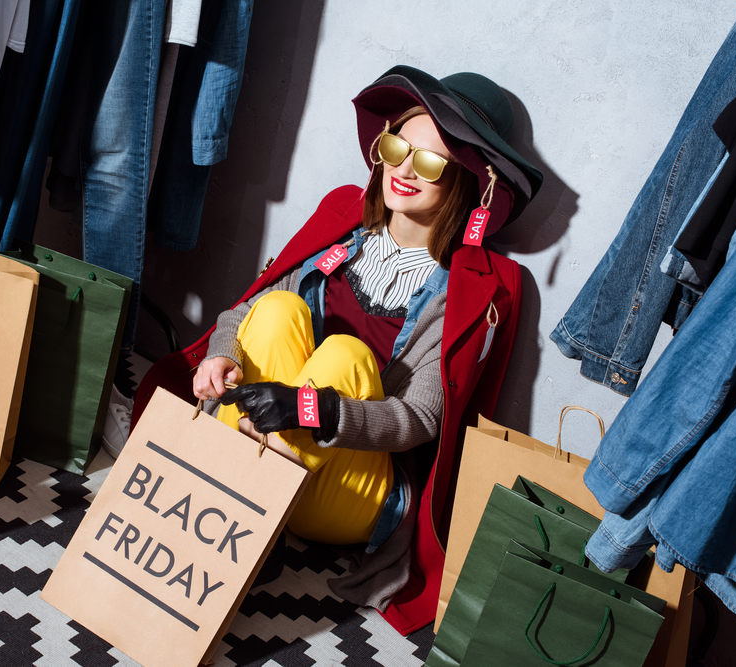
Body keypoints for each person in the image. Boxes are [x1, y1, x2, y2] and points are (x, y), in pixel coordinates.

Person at [136, 65, 542, 634]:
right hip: (262, 454)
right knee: (278, 310)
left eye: (430, 162)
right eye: (397, 147)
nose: (404, 169)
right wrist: (220, 355)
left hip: (349, 489)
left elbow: (421, 420)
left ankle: (233, 517)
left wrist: (312, 409)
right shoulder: (342, 229)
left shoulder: (464, 289)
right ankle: (227, 502)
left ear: (467, 182)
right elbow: (241, 312)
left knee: (344, 356)